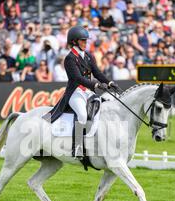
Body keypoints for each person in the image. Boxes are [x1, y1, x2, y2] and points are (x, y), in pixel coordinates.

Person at [44, 26, 119, 160]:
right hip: (75, 92)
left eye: (86, 40)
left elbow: (97, 72)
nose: (86, 43)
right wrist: (95, 84)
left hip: (87, 91)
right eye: (83, 40)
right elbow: (77, 78)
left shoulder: (88, 56)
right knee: (83, 115)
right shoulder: (70, 58)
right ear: (74, 42)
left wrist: (109, 83)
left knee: (103, 110)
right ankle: (76, 146)